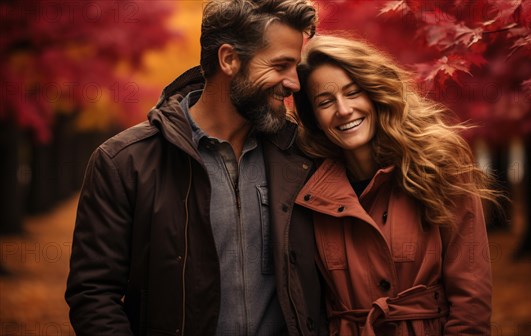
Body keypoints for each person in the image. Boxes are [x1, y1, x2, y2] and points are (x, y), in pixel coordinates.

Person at [65, 1, 326, 335]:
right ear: (229, 59)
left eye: (296, 68)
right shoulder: (123, 162)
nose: (294, 83)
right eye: (281, 65)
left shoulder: (302, 155)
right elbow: (93, 294)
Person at [292, 35, 497, 335]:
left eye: (353, 92)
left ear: (374, 91)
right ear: (314, 118)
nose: (343, 110)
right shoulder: (307, 188)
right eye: (325, 102)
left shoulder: (439, 164)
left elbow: (472, 297)